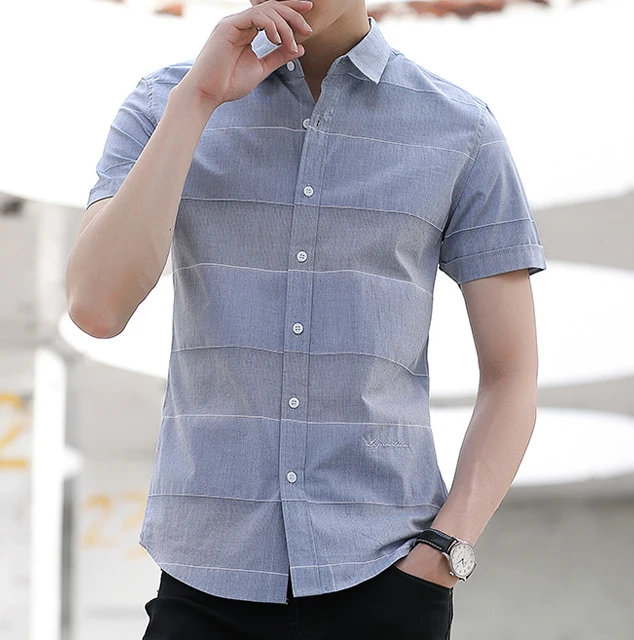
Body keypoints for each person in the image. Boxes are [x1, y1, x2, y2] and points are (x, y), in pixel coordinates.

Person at [65, 0, 547, 638]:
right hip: (204, 580)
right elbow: (97, 308)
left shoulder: (461, 129)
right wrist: (198, 101)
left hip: (387, 579)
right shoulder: (164, 104)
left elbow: (512, 375)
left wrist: (444, 551)